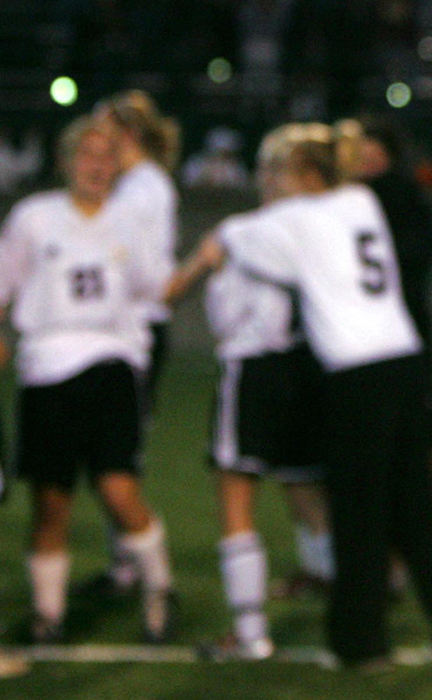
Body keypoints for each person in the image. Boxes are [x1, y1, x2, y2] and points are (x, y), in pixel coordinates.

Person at [198, 123, 432, 668]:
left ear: (306, 174)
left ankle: (359, 643)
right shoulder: (359, 200)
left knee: (357, 514)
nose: (272, 182)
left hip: (357, 375)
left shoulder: (292, 219)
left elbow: (232, 239)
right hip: (403, 361)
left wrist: (209, 251)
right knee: (413, 509)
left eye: (280, 171)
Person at [0, 117, 175, 644]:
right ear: (66, 160)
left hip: (110, 366)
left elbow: (152, 291)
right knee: (51, 502)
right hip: (47, 368)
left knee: (119, 489)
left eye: (107, 157)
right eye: (87, 155)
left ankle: (158, 590)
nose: (97, 166)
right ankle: (48, 613)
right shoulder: (34, 216)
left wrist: (134, 348)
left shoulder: (131, 221)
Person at [165, 125, 330, 661]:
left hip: (253, 369)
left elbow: (175, 288)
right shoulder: (326, 230)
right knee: (306, 489)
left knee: (236, 495)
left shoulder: (240, 230)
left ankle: (249, 631)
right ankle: (346, 597)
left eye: (274, 169)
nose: (267, 179)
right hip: (308, 370)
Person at [336, 115, 432, 591]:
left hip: (405, 349)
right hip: (357, 351)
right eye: (358, 150)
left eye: (373, 151)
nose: (365, 159)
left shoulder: (404, 201)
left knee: (428, 459)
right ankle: (388, 570)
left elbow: (416, 265)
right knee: (368, 463)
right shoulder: (335, 205)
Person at [80, 90, 181, 599]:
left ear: (129, 135)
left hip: (134, 331)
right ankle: (125, 564)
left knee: (117, 457)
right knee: (109, 454)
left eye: (105, 133)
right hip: (122, 329)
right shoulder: (140, 184)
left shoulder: (141, 188)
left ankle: (141, 570)